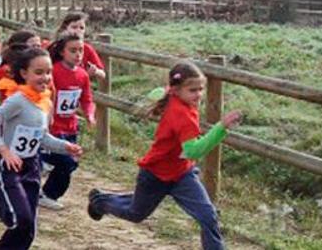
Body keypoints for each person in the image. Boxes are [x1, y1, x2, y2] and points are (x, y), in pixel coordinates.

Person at [89, 62, 240, 250]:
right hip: (155, 175)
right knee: (135, 214)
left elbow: (155, 94)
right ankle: (101, 202)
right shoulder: (182, 115)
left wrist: (163, 90)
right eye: (193, 90)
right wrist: (221, 127)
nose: (199, 94)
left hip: (182, 174)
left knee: (207, 215)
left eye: (201, 89)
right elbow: (194, 151)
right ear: (177, 90)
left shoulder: (175, 98)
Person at [0, 45, 84, 249]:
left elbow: (42, 138)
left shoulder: (44, 103)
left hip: (32, 168)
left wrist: (66, 147)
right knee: (20, 220)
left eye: (48, 72)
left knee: (28, 232)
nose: (45, 78)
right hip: (10, 168)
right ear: (24, 73)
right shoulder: (18, 100)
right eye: (39, 72)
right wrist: (4, 151)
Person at [40, 33, 96, 210]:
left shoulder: (82, 75)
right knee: (67, 162)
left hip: (70, 127)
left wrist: (89, 114)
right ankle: (46, 186)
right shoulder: (54, 71)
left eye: (80, 50)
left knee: (70, 163)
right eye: (73, 51)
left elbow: (87, 99)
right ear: (62, 52)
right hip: (52, 127)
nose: (78, 54)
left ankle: (46, 189)